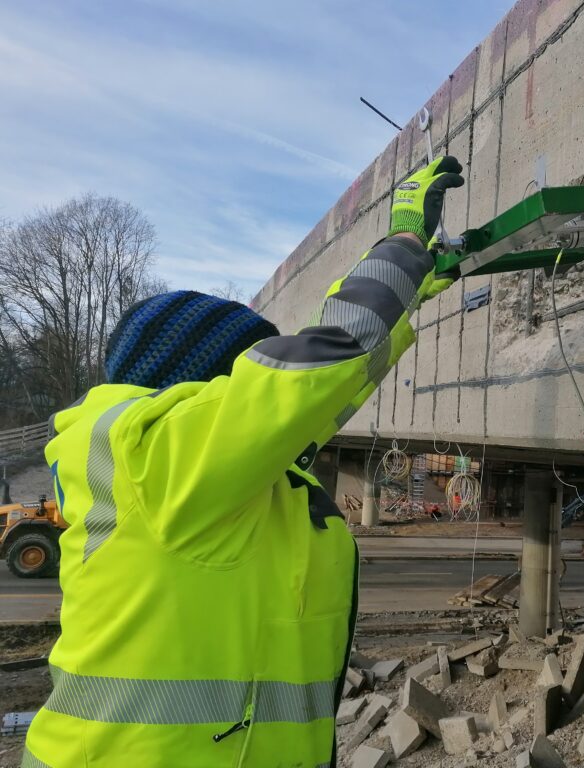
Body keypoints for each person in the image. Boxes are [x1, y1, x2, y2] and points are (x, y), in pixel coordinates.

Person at [23, 157, 465, 768]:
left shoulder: (199, 476)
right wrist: (406, 245)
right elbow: (315, 374)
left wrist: (401, 303)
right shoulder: (155, 453)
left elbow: (316, 404)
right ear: (206, 380)